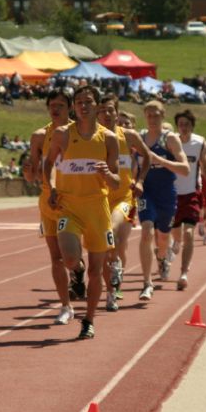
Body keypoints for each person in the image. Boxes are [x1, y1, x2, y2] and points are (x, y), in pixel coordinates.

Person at [44, 85, 120, 340]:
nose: (82, 106)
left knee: (97, 272)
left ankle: (88, 320)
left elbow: (117, 182)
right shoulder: (62, 134)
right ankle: (76, 271)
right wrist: (52, 187)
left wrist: (108, 174)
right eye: (78, 102)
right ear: (74, 106)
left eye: (88, 102)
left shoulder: (109, 138)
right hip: (70, 206)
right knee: (67, 258)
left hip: (98, 208)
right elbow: (48, 163)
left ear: (97, 105)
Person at [22, 89, 84, 326]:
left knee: (71, 257)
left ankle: (78, 270)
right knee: (56, 258)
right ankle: (66, 306)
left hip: (74, 202)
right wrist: (29, 173)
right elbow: (34, 175)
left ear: (70, 108)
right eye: (52, 105)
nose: (55, 109)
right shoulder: (39, 136)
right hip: (49, 201)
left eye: (60, 105)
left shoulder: (80, 133)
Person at [96, 93, 151, 311]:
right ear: (96, 113)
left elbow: (147, 157)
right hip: (99, 198)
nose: (107, 114)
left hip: (125, 198)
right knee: (107, 248)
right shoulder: (91, 137)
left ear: (117, 113)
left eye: (111, 110)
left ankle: (113, 283)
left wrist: (140, 182)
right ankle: (111, 289)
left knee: (112, 235)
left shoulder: (128, 136)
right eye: (102, 110)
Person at [137, 100, 190, 301]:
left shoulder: (170, 138)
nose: (152, 118)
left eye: (156, 114)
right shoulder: (139, 138)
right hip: (146, 192)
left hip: (166, 195)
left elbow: (185, 169)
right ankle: (147, 282)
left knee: (162, 238)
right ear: (144, 116)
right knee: (146, 231)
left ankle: (162, 259)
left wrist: (161, 161)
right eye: (148, 114)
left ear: (163, 115)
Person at [169, 109, 206, 291]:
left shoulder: (199, 142)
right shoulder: (171, 142)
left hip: (192, 193)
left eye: (186, 124)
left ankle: (183, 272)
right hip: (172, 194)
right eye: (180, 124)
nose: (183, 127)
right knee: (176, 233)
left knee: (189, 234)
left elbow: (205, 165)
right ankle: (175, 242)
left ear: (192, 126)